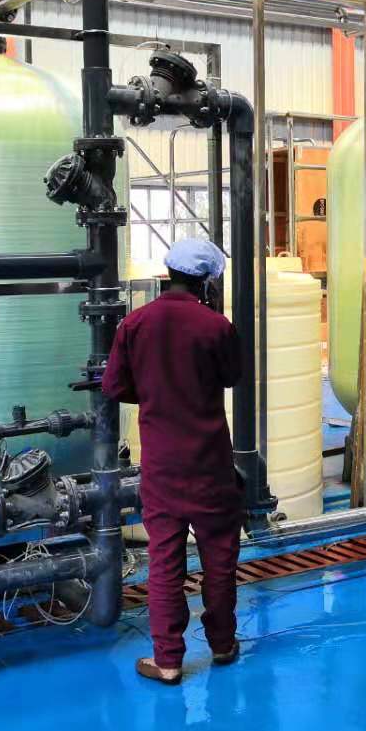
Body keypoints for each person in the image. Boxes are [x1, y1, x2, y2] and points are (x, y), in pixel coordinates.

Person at [101, 237, 245, 685]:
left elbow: (113, 387)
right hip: (210, 465)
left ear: (168, 274)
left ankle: (167, 660)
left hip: (162, 466)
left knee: (164, 561)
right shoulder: (216, 326)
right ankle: (223, 644)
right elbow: (233, 376)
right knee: (219, 557)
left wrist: (152, 393)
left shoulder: (135, 323)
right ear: (207, 283)